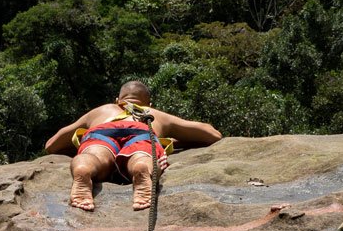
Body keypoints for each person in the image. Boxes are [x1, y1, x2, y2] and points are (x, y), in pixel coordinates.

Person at [44, 80, 222, 211]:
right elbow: (212, 135)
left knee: (93, 155)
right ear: (148, 104)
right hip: (141, 131)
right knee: (141, 156)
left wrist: (79, 146)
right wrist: (176, 140)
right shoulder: (152, 114)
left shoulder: (101, 111)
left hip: (102, 131)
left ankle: (83, 168)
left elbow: (52, 145)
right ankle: (142, 168)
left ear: (117, 100)